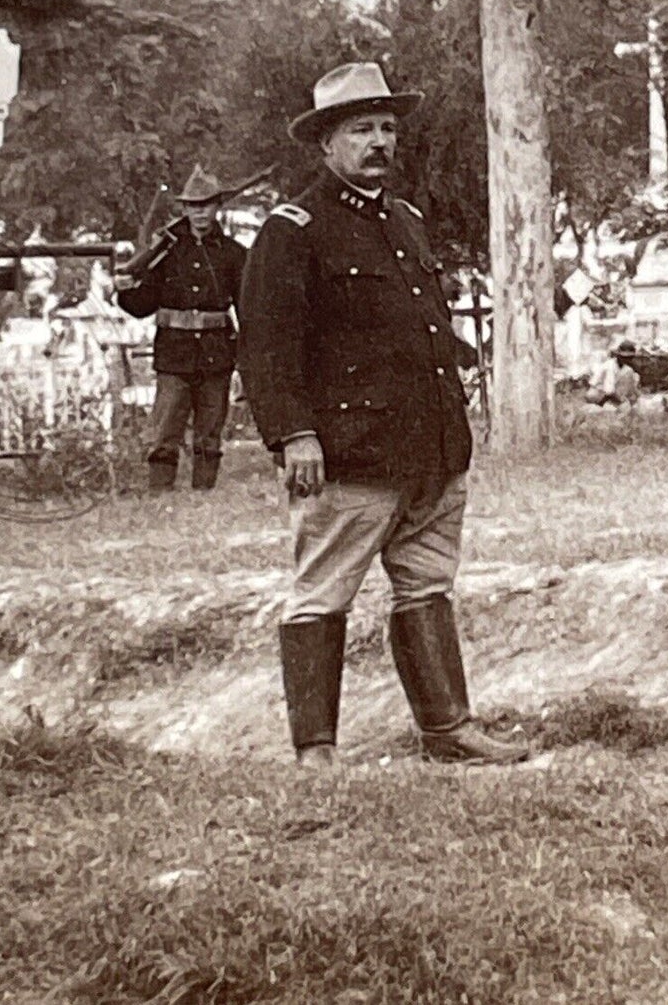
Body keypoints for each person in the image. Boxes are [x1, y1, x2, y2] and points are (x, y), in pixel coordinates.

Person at [238, 61, 528, 769]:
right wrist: (295, 433)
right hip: (350, 454)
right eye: (361, 128)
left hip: (429, 449)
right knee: (321, 594)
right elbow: (267, 344)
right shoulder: (294, 229)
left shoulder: (405, 221)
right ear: (326, 144)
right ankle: (315, 749)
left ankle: (447, 729)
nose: (379, 142)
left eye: (387, 128)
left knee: (427, 586)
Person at [115, 165, 247, 491]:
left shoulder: (234, 254)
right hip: (174, 354)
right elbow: (141, 306)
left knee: (210, 432)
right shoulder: (165, 252)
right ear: (185, 209)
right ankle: (161, 495)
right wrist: (124, 288)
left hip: (217, 353)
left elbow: (247, 307)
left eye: (206, 205)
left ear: (217, 207)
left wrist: (246, 356)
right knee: (164, 433)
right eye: (193, 206)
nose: (200, 212)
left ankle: (204, 493)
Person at [585, 342, 641, 407]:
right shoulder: (609, 365)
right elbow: (608, 389)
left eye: (629, 358)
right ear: (618, 356)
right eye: (624, 357)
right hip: (600, 394)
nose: (626, 360)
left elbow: (631, 389)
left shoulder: (629, 370)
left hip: (615, 397)